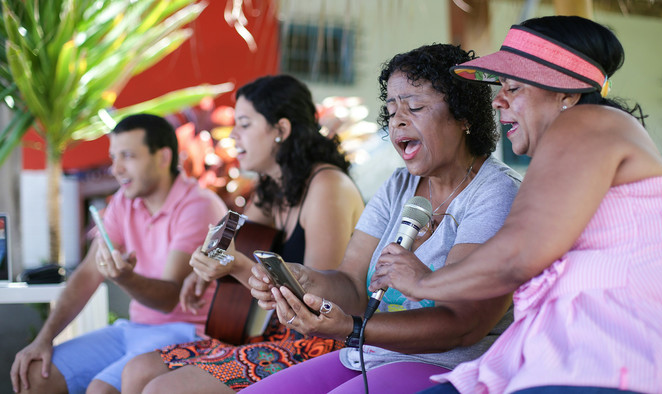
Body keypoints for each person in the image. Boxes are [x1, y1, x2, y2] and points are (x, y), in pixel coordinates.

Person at [370, 16, 662, 394]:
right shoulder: (583, 139)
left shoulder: (585, 122)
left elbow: (517, 254)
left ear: (567, 95)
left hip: (623, 355)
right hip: (571, 355)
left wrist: (424, 282)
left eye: (513, 86)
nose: (497, 99)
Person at [240, 44, 522, 394]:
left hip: (449, 368)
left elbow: (462, 324)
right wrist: (303, 281)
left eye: (415, 107)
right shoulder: (398, 185)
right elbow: (354, 287)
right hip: (369, 356)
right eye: (391, 110)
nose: (398, 120)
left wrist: (352, 328)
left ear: (464, 117)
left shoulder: (495, 193)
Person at [120, 74, 365, 393]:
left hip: (318, 345)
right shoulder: (272, 188)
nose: (233, 134)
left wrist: (233, 265)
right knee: (137, 371)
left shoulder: (327, 187)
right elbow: (234, 244)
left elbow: (317, 303)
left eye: (245, 124)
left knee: (163, 390)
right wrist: (208, 272)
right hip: (268, 337)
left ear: (281, 130)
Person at [10, 114, 229, 394]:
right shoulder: (125, 202)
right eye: (114, 157)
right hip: (134, 330)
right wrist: (44, 339)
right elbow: (89, 273)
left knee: (101, 390)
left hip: (186, 333)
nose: (116, 169)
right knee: (33, 376)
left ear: (163, 157)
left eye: (128, 156)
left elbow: (168, 298)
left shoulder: (198, 206)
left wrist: (126, 279)